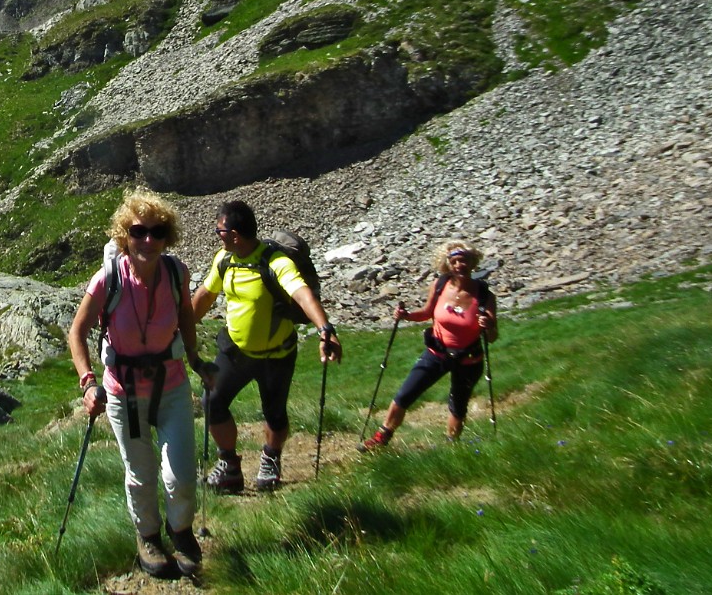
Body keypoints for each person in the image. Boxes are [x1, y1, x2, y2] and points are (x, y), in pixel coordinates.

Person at [68, 189, 212, 578]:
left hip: (172, 384)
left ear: (169, 236)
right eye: (138, 231)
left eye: (158, 231)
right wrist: (88, 383)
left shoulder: (176, 273)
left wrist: (196, 359)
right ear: (124, 236)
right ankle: (147, 535)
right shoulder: (107, 279)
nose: (148, 240)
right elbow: (77, 332)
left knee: (179, 474)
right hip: (124, 391)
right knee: (139, 472)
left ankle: (179, 529)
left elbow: (185, 317)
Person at [191, 199, 341, 494]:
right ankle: (230, 467)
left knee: (274, 413)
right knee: (213, 402)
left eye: (219, 230)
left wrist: (325, 330)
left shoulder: (275, 262)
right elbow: (206, 295)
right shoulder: (225, 259)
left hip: (277, 355)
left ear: (234, 235)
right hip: (236, 352)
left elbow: (302, 294)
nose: (216, 235)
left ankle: (271, 458)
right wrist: (178, 330)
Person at [361, 240, 498, 450]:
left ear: (473, 263)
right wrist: (406, 316)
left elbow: (492, 337)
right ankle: (382, 437)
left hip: (469, 359)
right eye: (455, 261)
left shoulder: (484, 296)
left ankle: (451, 445)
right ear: (448, 264)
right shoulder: (440, 285)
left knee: (458, 406)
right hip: (437, 352)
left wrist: (488, 325)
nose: (460, 265)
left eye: (465, 261)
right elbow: (426, 313)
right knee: (405, 394)